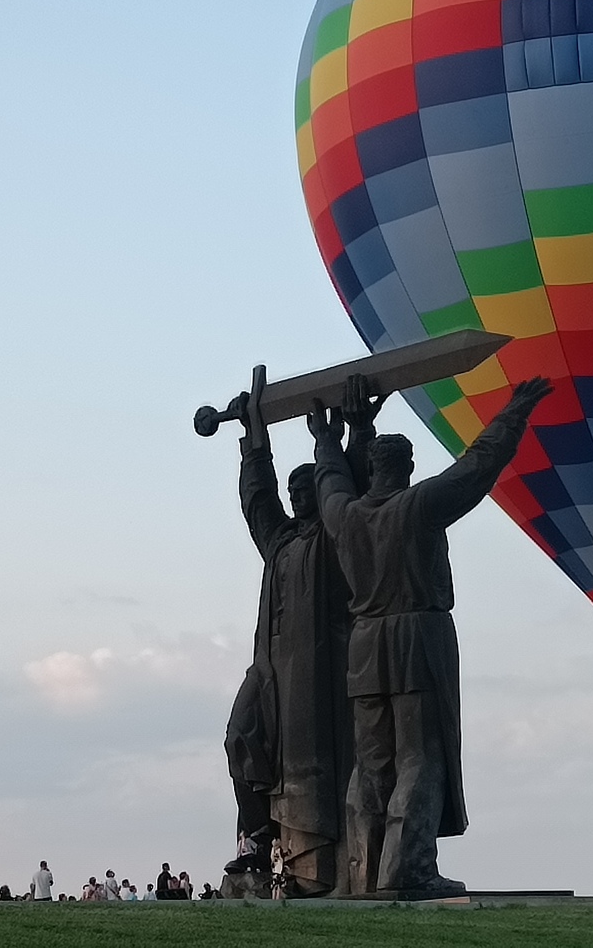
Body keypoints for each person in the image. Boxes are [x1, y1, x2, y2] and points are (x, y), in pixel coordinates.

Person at [311, 375, 551, 898]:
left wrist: (328, 439)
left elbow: (330, 480)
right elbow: (477, 467)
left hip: (364, 644)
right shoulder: (419, 505)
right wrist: (515, 411)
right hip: (418, 635)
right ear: (410, 468)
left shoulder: (345, 516)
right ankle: (408, 871)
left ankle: (364, 872)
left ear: (372, 467)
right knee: (421, 756)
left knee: (371, 762)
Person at [224, 376, 372, 898]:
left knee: (314, 766)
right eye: (293, 491)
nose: (298, 496)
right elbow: (256, 502)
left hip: (315, 673)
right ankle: (256, 835)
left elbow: (350, 486)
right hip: (269, 670)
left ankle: (315, 862)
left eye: (307, 488)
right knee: (239, 737)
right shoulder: (281, 540)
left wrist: (348, 435)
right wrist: (254, 441)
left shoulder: (335, 538)